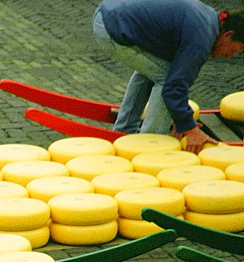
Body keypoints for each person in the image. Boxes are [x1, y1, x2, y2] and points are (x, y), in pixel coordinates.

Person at [92, 0, 244, 153]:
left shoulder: (209, 18)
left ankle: (124, 131)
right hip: (114, 26)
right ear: (228, 35)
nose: (230, 56)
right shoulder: (200, 41)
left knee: (153, 68)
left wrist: (181, 119)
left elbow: (176, 75)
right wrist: (191, 130)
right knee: (165, 78)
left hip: (109, 13)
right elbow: (174, 88)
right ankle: (149, 147)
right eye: (236, 50)